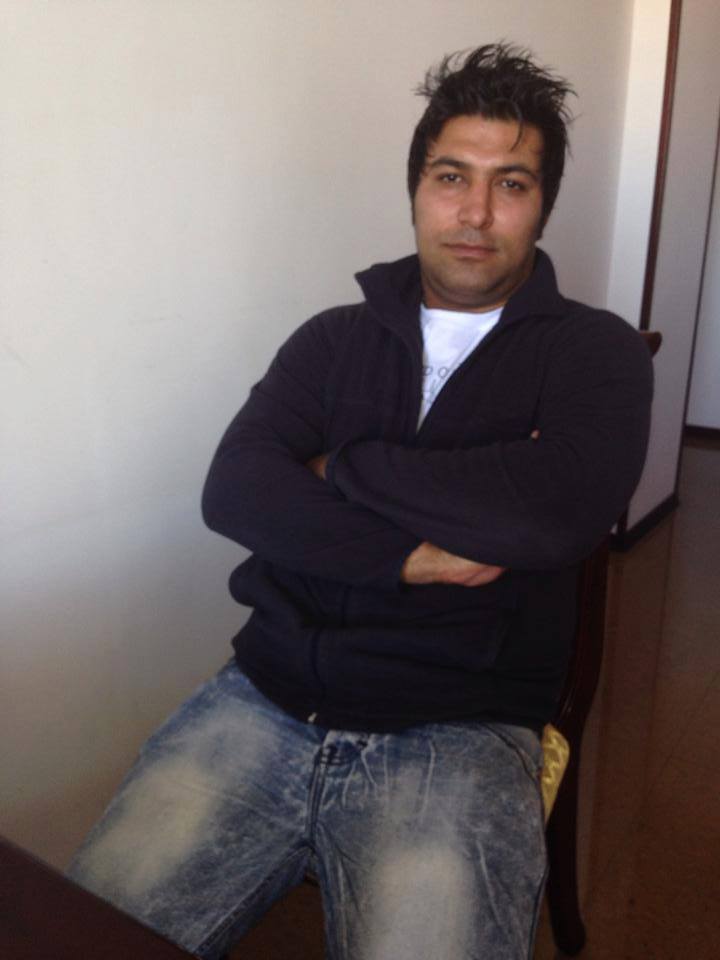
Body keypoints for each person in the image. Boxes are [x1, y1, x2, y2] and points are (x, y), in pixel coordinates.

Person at [68, 43, 653, 960]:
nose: (474, 212)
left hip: (457, 729)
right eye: (451, 177)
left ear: (543, 205)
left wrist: (336, 466)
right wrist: (412, 553)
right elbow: (236, 489)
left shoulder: (596, 353)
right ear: (416, 188)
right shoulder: (332, 340)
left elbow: (549, 516)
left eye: (510, 184)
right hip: (262, 698)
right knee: (75, 939)